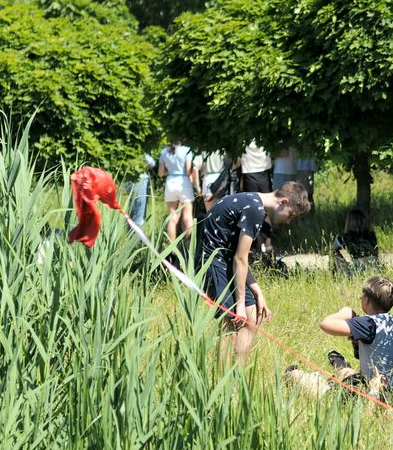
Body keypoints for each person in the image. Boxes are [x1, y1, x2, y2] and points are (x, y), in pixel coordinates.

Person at [199, 181, 311, 359]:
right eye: (290, 215)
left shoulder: (252, 201)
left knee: (252, 317)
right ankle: (225, 379)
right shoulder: (255, 211)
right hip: (213, 262)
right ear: (283, 202)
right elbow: (240, 259)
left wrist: (258, 293)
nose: (288, 221)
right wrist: (240, 305)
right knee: (231, 322)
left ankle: (239, 376)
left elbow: (238, 259)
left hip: (225, 260)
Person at [318, 275, 393, 394]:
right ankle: (337, 359)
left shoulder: (368, 323)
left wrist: (346, 312)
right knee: (348, 374)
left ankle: (293, 373)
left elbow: (325, 324)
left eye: (362, 296)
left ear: (367, 300)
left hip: (375, 391)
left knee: (320, 388)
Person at [159, 140, 196, 245]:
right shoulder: (187, 150)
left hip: (170, 181)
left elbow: (160, 173)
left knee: (172, 217)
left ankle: (172, 248)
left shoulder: (165, 151)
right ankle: (189, 246)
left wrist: (169, 171)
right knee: (188, 217)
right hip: (183, 181)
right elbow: (189, 170)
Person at [331, 208, 380, 276]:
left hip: (359, 268)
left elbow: (332, 249)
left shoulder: (345, 237)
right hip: (375, 266)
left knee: (334, 254)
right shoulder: (371, 234)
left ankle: (337, 277)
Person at [126, 153, 155, 228]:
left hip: (128, 180)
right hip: (140, 180)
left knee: (132, 210)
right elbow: (151, 162)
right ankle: (137, 238)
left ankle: (130, 236)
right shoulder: (140, 151)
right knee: (139, 212)